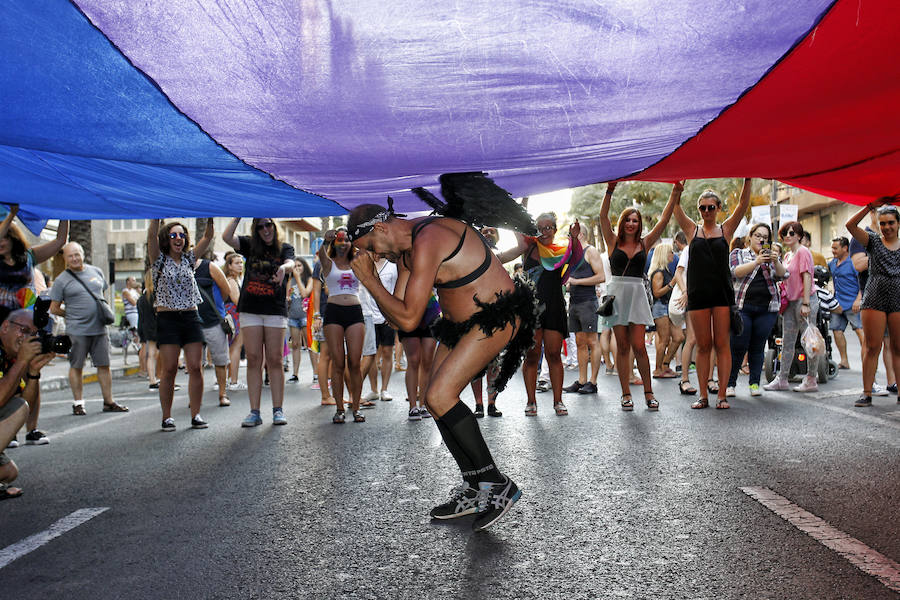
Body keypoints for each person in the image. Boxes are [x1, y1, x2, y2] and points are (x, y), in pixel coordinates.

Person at [347, 190, 536, 531]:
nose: (375, 256)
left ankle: (497, 483)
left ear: (382, 228)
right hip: (457, 325)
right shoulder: (405, 254)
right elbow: (399, 316)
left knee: (439, 395)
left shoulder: (429, 238)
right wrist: (376, 286)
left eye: (371, 247)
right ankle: (475, 486)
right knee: (433, 401)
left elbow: (407, 317)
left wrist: (371, 281)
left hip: (496, 316)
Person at [600, 181, 681, 411]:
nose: (631, 223)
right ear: (622, 222)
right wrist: (609, 191)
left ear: (639, 224)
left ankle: (648, 392)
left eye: (635, 220)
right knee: (622, 346)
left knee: (639, 346)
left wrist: (674, 193)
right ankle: (626, 394)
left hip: (636, 294)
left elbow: (664, 220)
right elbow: (603, 217)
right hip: (617, 296)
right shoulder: (612, 241)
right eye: (627, 219)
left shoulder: (645, 243)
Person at [674, 178, 752, 409]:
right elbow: (675, 208)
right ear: (699, 210)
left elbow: (742, 205)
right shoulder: (692, 230)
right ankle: (703, 396)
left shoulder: (726, 230)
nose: (707, 211)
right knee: (703, 345)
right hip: (698, 295)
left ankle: (722, 396)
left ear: (718, 208)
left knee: (722, 344)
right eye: (702, 208)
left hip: (721, 294)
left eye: (711, 207)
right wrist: (677, 189)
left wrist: (748, 179)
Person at [500, 211, 580, 416]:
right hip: (531, 308)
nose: (544, 232)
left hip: (554, 306)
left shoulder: (562, 249)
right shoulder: (528, 246)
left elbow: (576, 257)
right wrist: (521, 204)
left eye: (548, 228)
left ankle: (558, 401)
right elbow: (515, 226)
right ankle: (531, 401)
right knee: (532, 355)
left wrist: (574, 237)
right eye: (540, 228)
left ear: (555, 229)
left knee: (554, 354)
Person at [0, 206, 68, 448]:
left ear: (14, 237)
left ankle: (32, 429)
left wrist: (67, 211)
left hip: (28, 326)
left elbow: (60, 241)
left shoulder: (28, 257)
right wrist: (10, 216)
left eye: (6, 236)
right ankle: (7, 432)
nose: (1, 241)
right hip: (4, 331)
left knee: (32, 375)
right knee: (9, 379)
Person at [223, 218, 295, 427]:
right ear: (256, 229)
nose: (265, 230)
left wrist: (284, 268)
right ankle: (254, 412)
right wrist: (239, 215)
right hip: (251, 309)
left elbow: (291, 263)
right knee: (254, 358)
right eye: (260, 226)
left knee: (275, 359)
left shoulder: (284, 247)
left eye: (268, 225)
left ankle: (278, 410)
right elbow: (227, 237)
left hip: (274, 309)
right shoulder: (249, 245)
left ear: (274, 226)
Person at [148, 219, 214, 431]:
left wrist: (210, 216)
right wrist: (155, 218)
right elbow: (151, 237)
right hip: (167, 319)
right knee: (169, 369)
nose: (178, 238)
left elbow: (208, 237)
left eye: (182, 235)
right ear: (166, 239)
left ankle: (196, 414)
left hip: (190, 317)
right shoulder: (158, 260)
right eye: (173, 235)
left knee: (195, 366)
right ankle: (167, 417)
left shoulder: (189, 258)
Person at [49, 242, 128, 416]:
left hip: (100, 329)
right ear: (65, 258)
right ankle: (78, 403)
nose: (74, 258)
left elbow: (101, 295)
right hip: (77, 331)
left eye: (77, 254)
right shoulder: (61, 280)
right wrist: (72, 315)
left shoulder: (96, 272)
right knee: (76, 366)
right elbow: (54, 308)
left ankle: (109, 402)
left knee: (104, 365)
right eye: (70, 256)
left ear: (83, 254)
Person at [846, 200, 900, 407]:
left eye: (891, 222)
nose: (887, 227)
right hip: (874, 298)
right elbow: (850, 226)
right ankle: (866, 393)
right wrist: (869, 207)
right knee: (872, 347)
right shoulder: (873, 241)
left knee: (897, 348)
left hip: (898, 299)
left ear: (898, 223)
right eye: (883, 223)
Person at [0, 310, 55, 499]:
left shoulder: (12, 357)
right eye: (23, 330)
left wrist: (33, 371)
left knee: (9, 472)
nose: (27, 339)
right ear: (5, 327)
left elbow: (24, 407)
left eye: (33, 335)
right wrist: (22, 361)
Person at [727, 223, 785, 397]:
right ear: (750, 237)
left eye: (765, 237)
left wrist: (775, 261)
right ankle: (730, 384)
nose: (761, 239)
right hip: (742, 307)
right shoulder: (738, 253)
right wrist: (757, 262)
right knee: (738, 346)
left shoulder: (771, 257)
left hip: (767, 308)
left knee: (758, 347)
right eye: (758, 236)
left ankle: (754, 384)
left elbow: (783, 275)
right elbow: (735, 272)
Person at [764, 221, 821, 393]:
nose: (787, 236)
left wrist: (806, 303)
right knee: (787, 340)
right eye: (785, 234)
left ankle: (811, 378)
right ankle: (782, 378)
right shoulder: (788, 255)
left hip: (804, 300)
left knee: (810, 341)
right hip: (790, 302)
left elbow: (807, 277)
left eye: (791, 233)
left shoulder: (803, 251)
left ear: (799, 235)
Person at [316, 227, 365, 423]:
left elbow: (367, 250)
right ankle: (339, 409)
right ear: (334, 243)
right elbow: (321, 254)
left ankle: (356, 407)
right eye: (340, 240)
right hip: (334, 312)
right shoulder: (329, 263)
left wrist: (358, 234)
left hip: (355, 312)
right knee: (338, 363)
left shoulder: (358, 262)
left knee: (355, 362)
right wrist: (325, 239)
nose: (343, 243)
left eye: (347, 240)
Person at [562, 229, 606, 394]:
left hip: (588, 302)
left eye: (571, 234)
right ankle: (582, 381)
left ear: (580, 234)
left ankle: (592, 382)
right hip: (574, 302)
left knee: (592, 341)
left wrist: (576, 281)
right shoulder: (572, 254)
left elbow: (601, 277)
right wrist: (569, 283)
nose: (569, 237)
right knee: (580, 341)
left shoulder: (591, 251)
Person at [194, 249, 233, 407]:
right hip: (192, 322)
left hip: (214, 321)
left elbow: (226, 290)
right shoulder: (180, 269)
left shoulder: (209, 267)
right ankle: (196, 396)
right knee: (196, 364)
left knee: (220, 361)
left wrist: (216, 307)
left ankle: (222, 394)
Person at [828, 236, 864, 370]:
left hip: (853, 304)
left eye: (835, 248)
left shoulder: (853, 263)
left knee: (859, 330)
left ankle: (868, 361)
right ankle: (844, 361)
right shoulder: (832, 263)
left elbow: (863, 282)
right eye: (832, 248)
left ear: (845, 248)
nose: (833, 251)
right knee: (836, 330)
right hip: (837, 304)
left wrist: (858, 300)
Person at [648, 242, 682, 379]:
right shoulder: (658, 273)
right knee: (664, 339)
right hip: (660, 307)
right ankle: (658, 369)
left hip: (667, 306)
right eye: (670, 252)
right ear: (664, 255)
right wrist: (671, 284)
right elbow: (656, 293)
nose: (673, 254)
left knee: (678, 337)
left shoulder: (666, 271)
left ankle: (665, 364)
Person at [221, 252, 246, 391]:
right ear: (229, 266)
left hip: (232, 314)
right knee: (236, 347)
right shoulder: (231, 281)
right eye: (237, 263)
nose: (240, 265)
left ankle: (229, 379)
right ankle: (234, 381)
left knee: (232, 348)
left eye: (241, 262)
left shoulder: (232, 279)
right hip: (235, 315)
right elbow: (237, 300)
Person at [287, 259, 314, 384]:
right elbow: (288, 295)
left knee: (310, 345)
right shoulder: (290, 280)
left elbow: (304, 293)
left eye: (299, 265)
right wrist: (287, 298)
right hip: (293, 316)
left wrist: (298, 278)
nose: (297, 268)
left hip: (305, 316)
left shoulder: (309, 279)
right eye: (295, 266)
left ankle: (316, 373)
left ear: (304, 266)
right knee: (295, 345)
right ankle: (295, 374)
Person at [136, 270, 160, 390]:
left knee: (151, 354)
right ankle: (161, 377)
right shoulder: (157, 296)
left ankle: (152, 380)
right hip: (159, 327)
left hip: (147, 328)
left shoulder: (142, 298)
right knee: (160, 354)